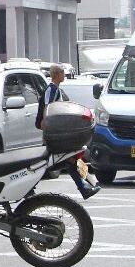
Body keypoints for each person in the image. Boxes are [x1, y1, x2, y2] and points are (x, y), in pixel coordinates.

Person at [36, 64, 100, 199]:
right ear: (57, 74)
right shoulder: (51, 89)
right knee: (47, 163)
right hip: (53, 132)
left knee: (71, 159)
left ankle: (87, 186)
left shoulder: (56, 89)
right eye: (62, 73)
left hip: (56, 132)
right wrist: (47, 130)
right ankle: (86, 186)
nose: (64, 75)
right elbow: (48, 108)